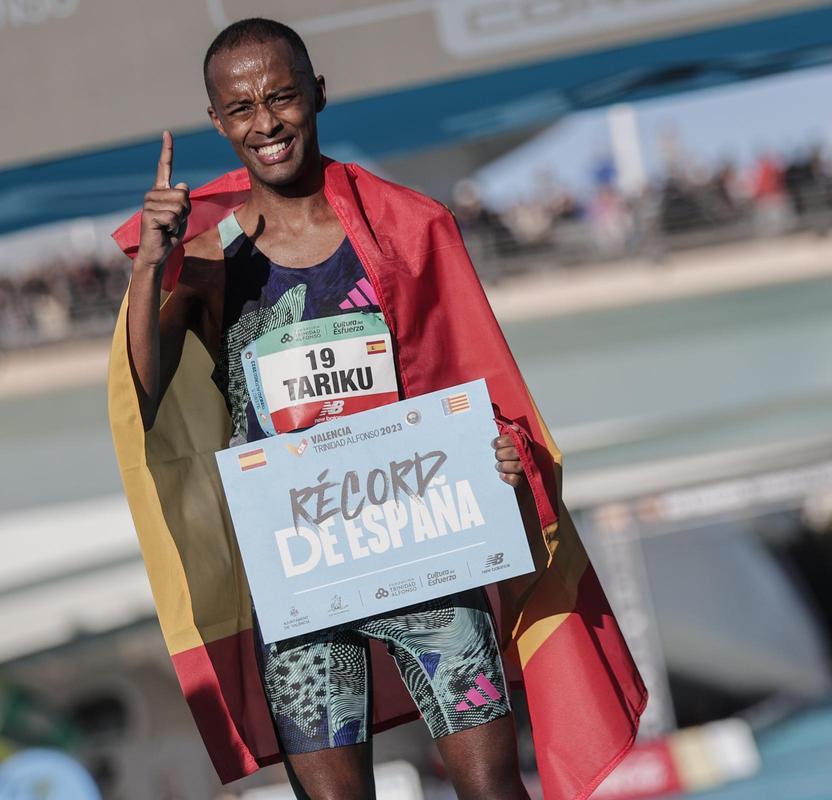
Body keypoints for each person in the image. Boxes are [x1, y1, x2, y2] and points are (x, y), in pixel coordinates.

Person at [110, 17, 645, 800]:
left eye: (283, 97)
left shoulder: (408, 227)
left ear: (317, 94)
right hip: (300, 579)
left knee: (493, 786)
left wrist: (502, 448)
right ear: (218, 122)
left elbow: (473, 374)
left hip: (424, 550)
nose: (266, 123)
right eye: (243, 108)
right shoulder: (209, 264)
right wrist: (152, 265)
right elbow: (142, 392)